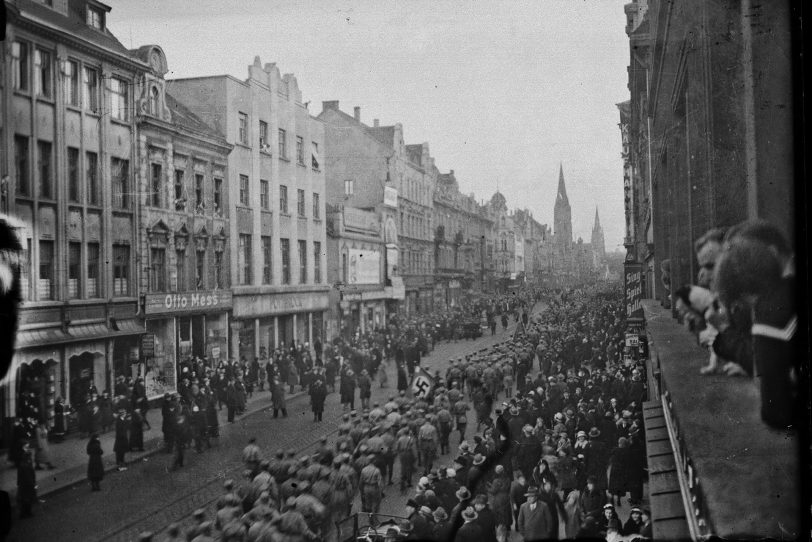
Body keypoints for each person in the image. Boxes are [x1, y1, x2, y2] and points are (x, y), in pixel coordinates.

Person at [16, 444, 36, 518]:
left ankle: (25, 513)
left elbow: (19, 475)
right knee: (27, 499)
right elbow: (28, 477)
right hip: (27, 485)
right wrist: (32, 484)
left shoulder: (23, 464)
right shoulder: (26, 465)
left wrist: (18, 483)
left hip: (23, 485)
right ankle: (26, 513)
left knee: (24, 499)